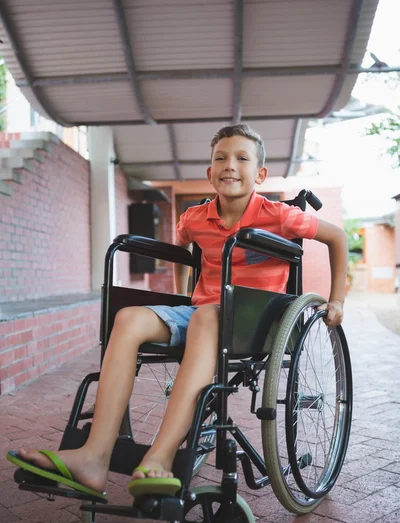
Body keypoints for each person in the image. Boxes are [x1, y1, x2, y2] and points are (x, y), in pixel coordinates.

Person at [7, 124, 348, 499]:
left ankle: (161, 456)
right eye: (220, 158)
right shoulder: (194, 218)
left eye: (241, 158)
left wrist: (337, 299)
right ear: (209, 172)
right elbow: (183, 249)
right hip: (204, 315)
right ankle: (93, 455)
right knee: (129, 318)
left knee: (206, 317)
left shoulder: (280, 216)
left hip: (256, 321)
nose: (229, 165)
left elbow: (337, 237)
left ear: (260, 174)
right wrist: (184, 293)